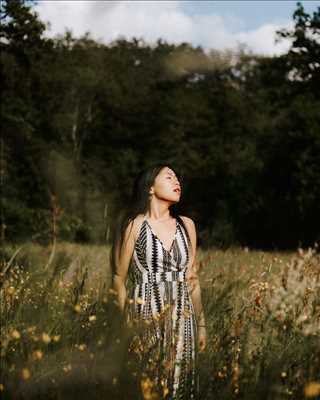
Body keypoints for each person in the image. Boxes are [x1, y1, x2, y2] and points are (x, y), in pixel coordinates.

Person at [110, 163, 207, 400]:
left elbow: (192, 278)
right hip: (145, 316)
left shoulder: (187, 225)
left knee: (180, 386)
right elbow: (118, 278)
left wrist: (201, 324)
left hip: (183, 320)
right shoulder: (134, 225)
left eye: (178, 178)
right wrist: (124, 325)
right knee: (148, 386)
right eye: (169, 176)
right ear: (150, 187)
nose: (177, 182)